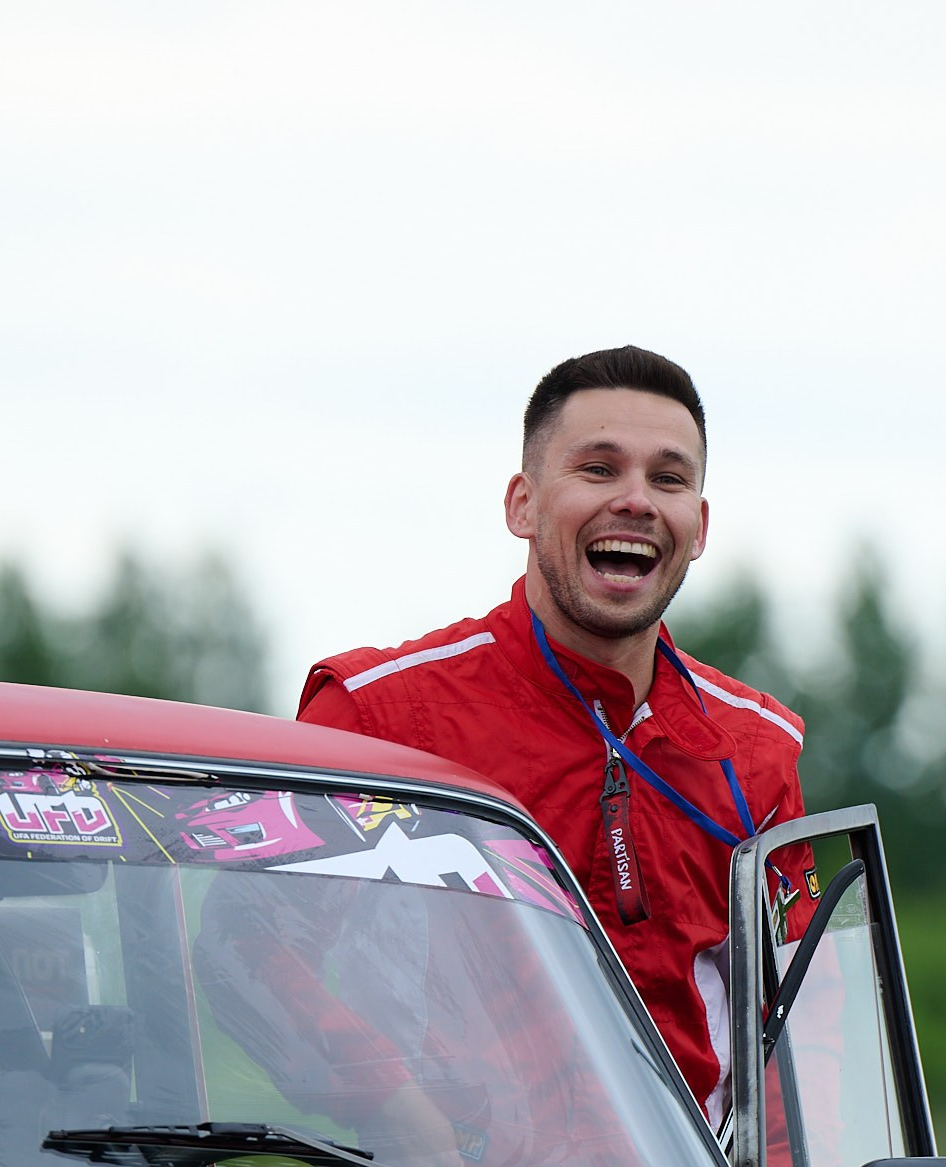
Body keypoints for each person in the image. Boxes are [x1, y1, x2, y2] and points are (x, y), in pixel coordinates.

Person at [297, 346, 809, 1121]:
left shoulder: (756, 748)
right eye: (599, 469)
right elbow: (252, 951)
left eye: (667, 479)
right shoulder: (375, 718)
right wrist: (395, 1108)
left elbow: (802, 1018)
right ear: (523, 506)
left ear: (698, 526)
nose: (635, 500)